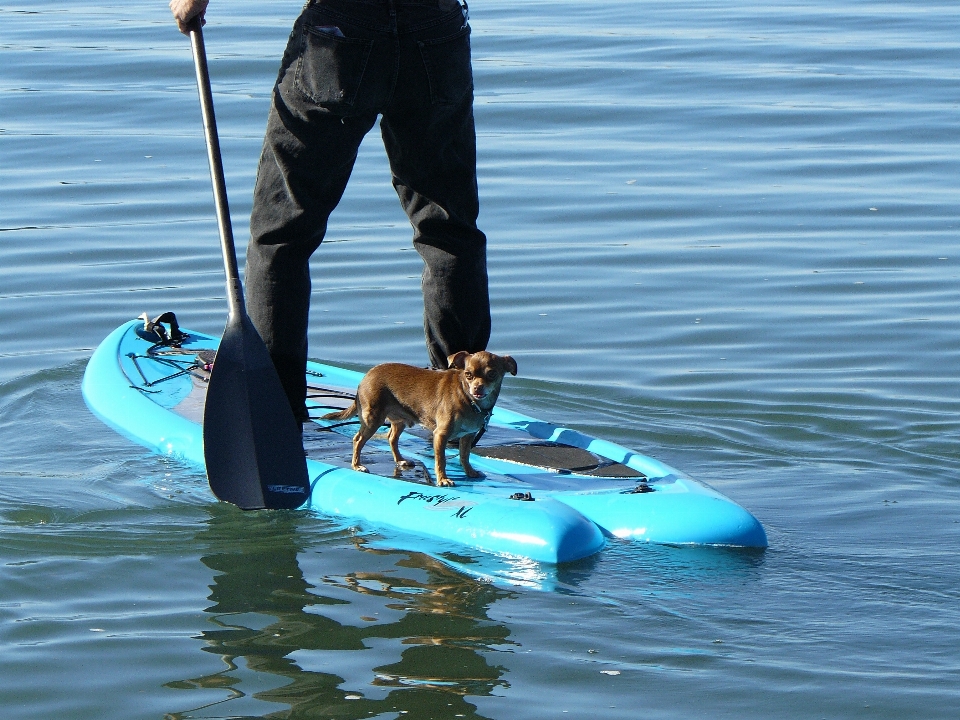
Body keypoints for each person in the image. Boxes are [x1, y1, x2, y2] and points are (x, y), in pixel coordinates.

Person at [170, 0, 491, 423]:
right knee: (448, 230)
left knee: (281, 236)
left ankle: (275, 412)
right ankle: (463, 413)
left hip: (341, 31)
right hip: (435, 29)